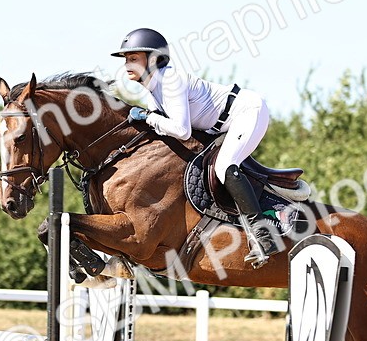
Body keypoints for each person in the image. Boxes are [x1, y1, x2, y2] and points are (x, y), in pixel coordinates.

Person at [109, 27, 282, 264]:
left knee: (224, 167)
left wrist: (148, 117)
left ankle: (263, 236)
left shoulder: (170, 79)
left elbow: (181, 130)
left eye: (133, 58)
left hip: (246, 112)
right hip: (217, 126)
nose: (127, 64)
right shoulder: (151, 87)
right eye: (126, 59)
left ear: (152, 59)